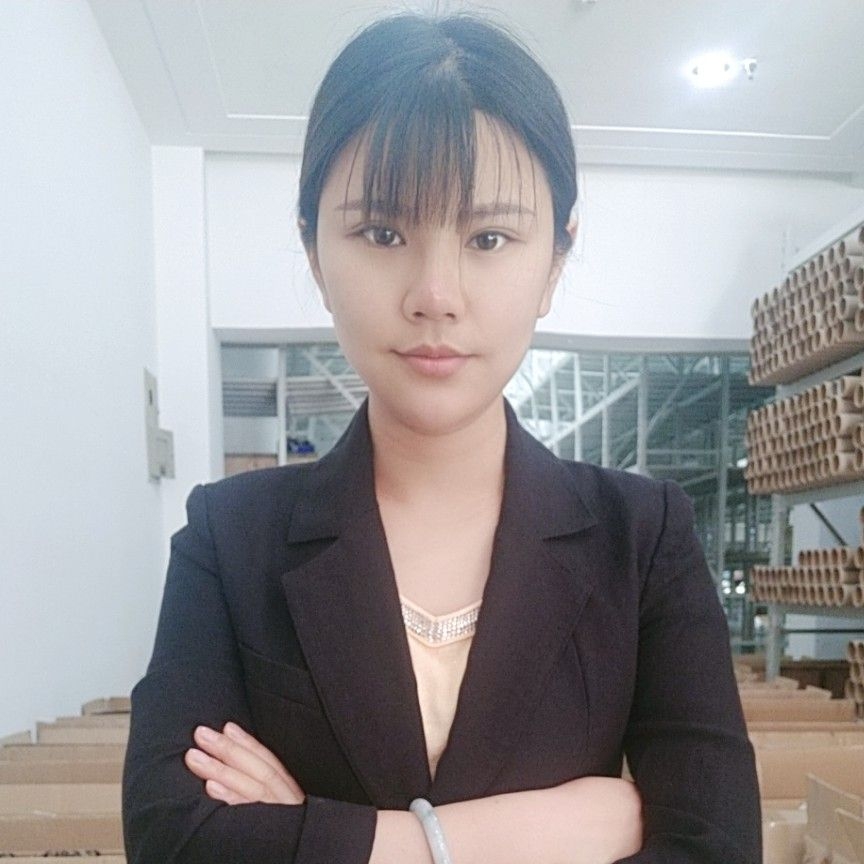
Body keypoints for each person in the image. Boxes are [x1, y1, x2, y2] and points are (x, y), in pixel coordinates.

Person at [122, 12, 762, 864]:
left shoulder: (643, 539)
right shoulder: (229, 538)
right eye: (382, 234)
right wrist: (515, 836)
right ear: (314, 253)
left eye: (489, 238)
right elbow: (173, 842)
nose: (435, 294)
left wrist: (306, 827)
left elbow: (716, 848)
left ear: (555, 261)